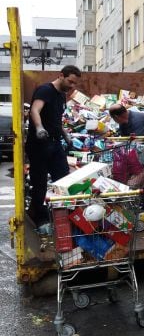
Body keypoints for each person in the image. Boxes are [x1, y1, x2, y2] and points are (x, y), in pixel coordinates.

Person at [26, 65, 82, 235]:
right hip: (39, 144)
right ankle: (40, 219)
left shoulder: (61, 95)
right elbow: (35, 110)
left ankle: (62, 217)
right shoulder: (45, 90)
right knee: (40, 183)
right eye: (70, 81)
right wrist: (39, 128)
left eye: (74, 83)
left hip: (55, 143)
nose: (72, 86)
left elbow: (57, 120)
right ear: (61, 76)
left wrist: (65, 134)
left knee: (63, 180)